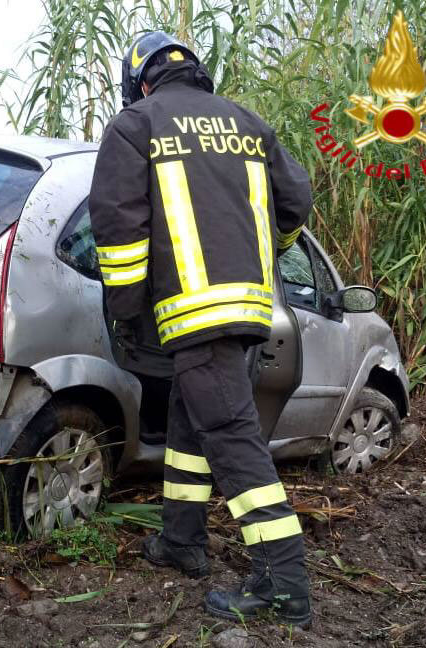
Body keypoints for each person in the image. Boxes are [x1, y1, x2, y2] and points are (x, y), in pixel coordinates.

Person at [88, 31, 313, 628]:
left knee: (234, 438)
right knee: (192, 429)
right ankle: (182, 543)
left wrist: (128, 310)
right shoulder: (250, 126)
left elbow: (118, 228)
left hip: (193, 316)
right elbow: (295, 203)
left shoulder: (136, 125)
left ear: (140, 80)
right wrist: (266, 256)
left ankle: (284, 582)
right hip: (247, 313)